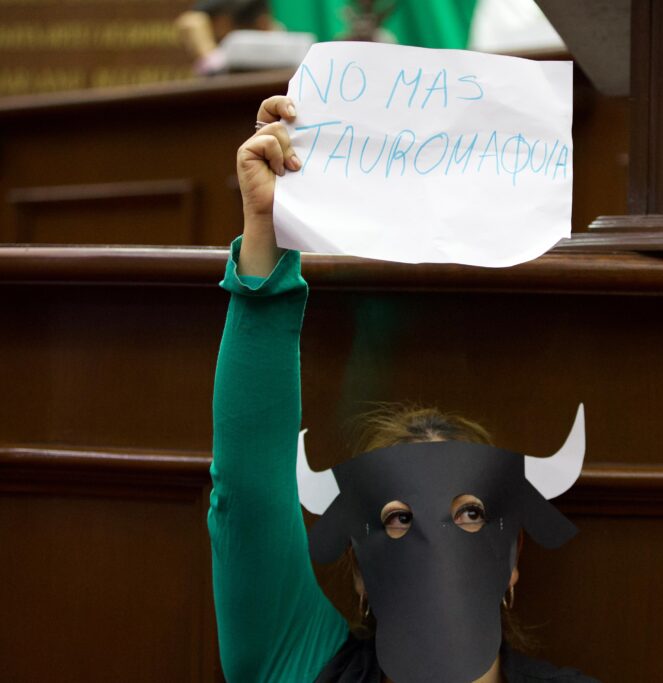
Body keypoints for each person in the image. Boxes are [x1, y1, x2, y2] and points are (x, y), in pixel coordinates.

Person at [209, 95, 598, 682]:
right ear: (361, 575)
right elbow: (249, 493)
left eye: (469, 513)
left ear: (511, 559)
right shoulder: (307, 668)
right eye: (397, 518)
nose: (434, 542)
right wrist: (265, 228)